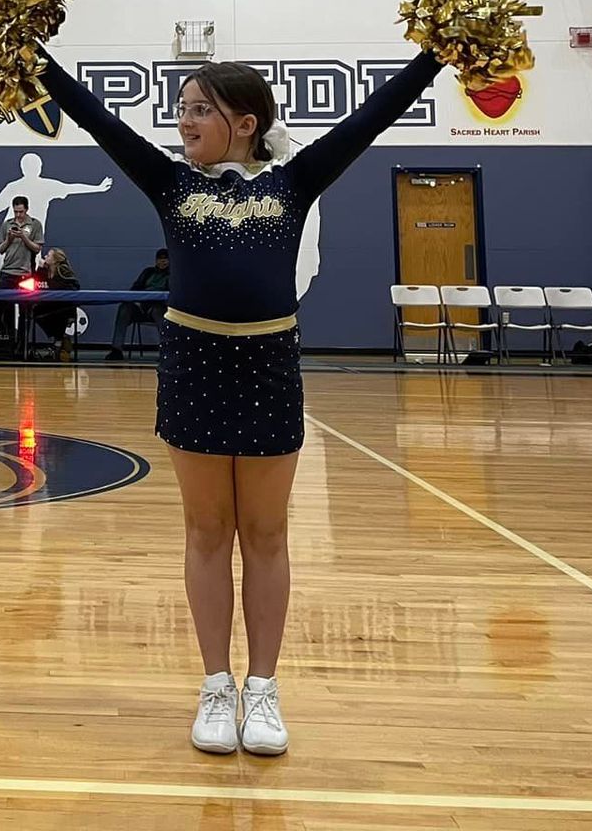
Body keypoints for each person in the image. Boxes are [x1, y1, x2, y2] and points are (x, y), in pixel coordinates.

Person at [34, 45, 443, 757]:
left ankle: (264, 687)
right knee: (205, 532)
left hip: (266, 365)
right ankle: (216, 684)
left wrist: (435, 57)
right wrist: (36, 64)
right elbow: (99, 121)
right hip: (193, 363)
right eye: (183, 108)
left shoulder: (295, 182)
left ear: (245, 122)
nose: (184, 120)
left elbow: (372, 117)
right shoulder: (167, 182)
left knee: (266, 534)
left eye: (200, 109)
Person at [0, 197, 43, 355]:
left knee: (25, 311)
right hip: (7, 273)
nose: (18, 215)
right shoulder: (7, 224)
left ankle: (23, 344)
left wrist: (23, 237)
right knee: (3, 308)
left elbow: (37, 248)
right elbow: (0, 249)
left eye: (21, 212)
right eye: (16, 212)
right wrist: (9, 239)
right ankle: (8, 342)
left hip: (25, 274)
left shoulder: (35, 224)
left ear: (26, 209)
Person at [111, 248, 170, 359]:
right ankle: (116, 350)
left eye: (165, 259)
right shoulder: (148, 272)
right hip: (141, 308)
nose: (162, 261)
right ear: (156, 260)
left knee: (159, 312)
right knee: (124, 308)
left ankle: (166, 352)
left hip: (160, 308)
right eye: (159, 259)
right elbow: (134, 289)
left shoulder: (173, 274)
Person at [30, 247, 81, 360]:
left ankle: (58, 344)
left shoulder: (63, 270)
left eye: (48, 256)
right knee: (35, 311)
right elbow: (39, 285)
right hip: (50, 305)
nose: (45, 257)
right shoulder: (46, 271)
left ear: (55, 260)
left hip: (64, 306)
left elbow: (73, 287)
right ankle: (60, 340)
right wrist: (41, 269)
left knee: (59, 315)